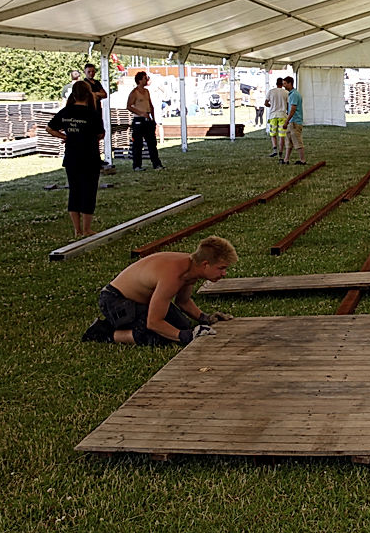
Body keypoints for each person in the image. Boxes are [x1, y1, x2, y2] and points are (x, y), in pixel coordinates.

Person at [81, 236, 237, 346]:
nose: (224, 274)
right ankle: (103, 333)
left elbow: (183, 302)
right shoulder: (173, 275)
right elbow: (154, 322)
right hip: (115, 300)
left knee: (183, 325)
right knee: (161, 336)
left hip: (141, 300)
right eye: (221, 268)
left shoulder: (191, 269)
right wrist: (185, 336)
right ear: (205, 264)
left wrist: (206, 318)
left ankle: (122, 324)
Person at [46, 81, 105, 237]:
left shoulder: (66, 111)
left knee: (75, 191)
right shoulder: (92, 113)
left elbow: (49, 128)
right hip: (89, 157)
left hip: (71, 156)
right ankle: (87, 229)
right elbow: (100, 134)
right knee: (89, 191)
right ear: (88, 94)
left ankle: (77, 230)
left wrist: (65, 136)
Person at [126, 70, 164, 171]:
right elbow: (129, 106)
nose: (147, 80)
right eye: (145, 78)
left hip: (148, 120)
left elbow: (150, 105)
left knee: (152, 143)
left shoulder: (147, 91)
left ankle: (156, 164)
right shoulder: (134, 92)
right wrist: (140, 113)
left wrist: (153, 118)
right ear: (139, 80)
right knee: (138, 144)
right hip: (139, 121)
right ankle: (137, 165)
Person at [282, 75, 306, 165]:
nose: (284, 86)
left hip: (295, 121)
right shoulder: (292, 94)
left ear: (290, 83)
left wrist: (286, 121)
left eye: (285, 84)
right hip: (292, 121)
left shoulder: (294, 95)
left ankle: (302, 160)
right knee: (289, 141)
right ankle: (286, 159)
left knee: (297, 141)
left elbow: (293, 109)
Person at [265, 77, 289, 157]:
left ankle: (275, 149)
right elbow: (288, 104)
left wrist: (271, 106)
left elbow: (266, 103)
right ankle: (281, 152)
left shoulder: (271, 91)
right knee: (282, 135)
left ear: (276, 83)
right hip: (282, 115)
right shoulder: (286, 92)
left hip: (273, 115)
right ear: (282, 84)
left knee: (273, 134)